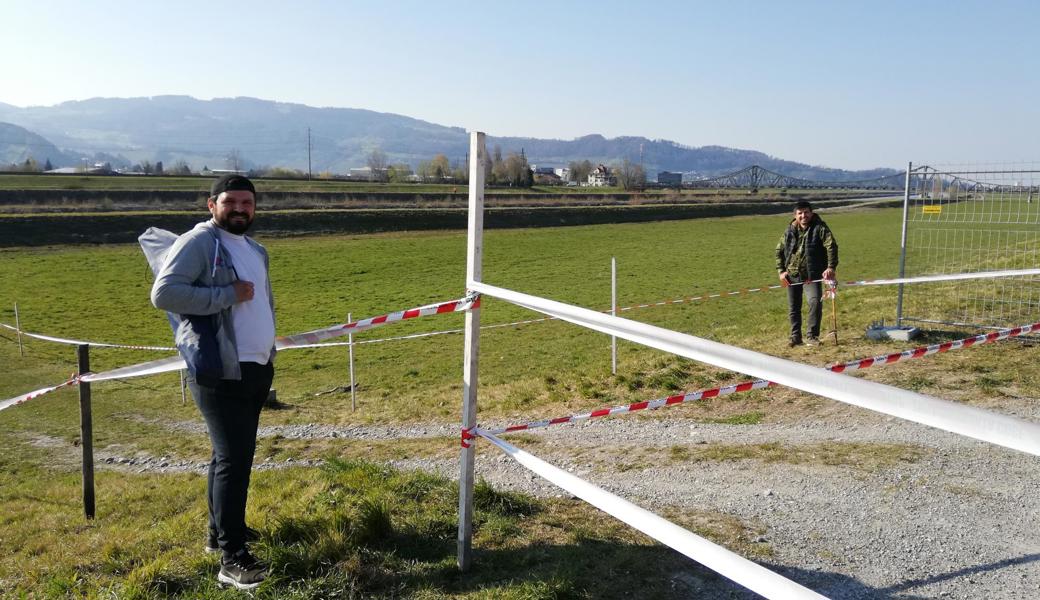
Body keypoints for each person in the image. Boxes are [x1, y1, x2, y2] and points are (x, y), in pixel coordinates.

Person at [150, 174, 275, 590]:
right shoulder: (200, 242)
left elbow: (259, 303)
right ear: (211, 205)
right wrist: (227, 295)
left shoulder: (255, 249)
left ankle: (218, 533)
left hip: (255, 368)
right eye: (231, 202)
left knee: (228, 458)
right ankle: (231, 558)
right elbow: (165, 293)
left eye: (247, 203)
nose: (240, 209)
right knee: (234, 462)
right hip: (221, 371)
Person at [774, 201, 838, 347]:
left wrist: (830, 267)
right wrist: (781, 271)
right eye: (800, 213)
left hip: (812, 275)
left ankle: (812, 336)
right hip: (792, 275)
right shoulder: (789, 230)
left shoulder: (820, 228)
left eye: (806, 212)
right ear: (795, 215)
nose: (803, 216)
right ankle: (795, 337)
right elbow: (779, 250)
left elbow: (831, 246)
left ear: (811, 213)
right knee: (793, 307)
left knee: (815, 302)